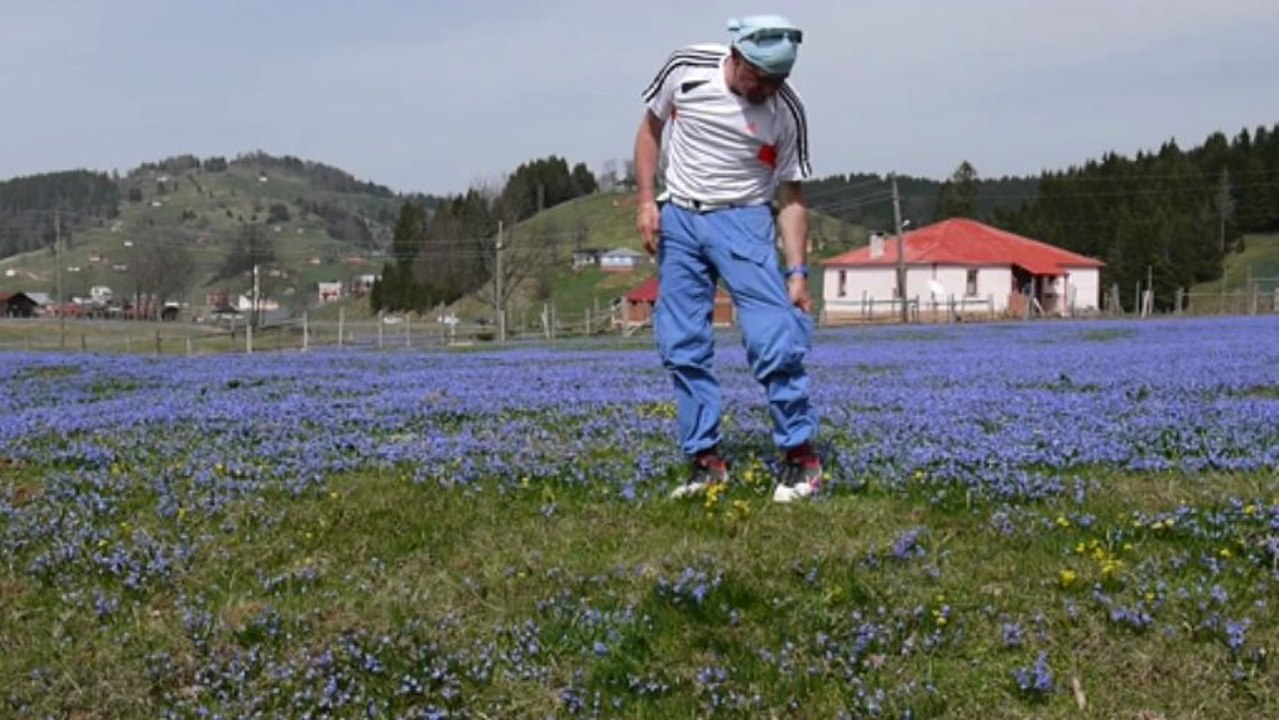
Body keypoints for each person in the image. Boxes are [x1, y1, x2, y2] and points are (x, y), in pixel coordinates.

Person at [633, 14, 822, 503]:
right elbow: (651, 130)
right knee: (681, 343)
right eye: (757, 77)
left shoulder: (787, 110)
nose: (764, 88)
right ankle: (705, 462)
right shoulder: (686, 67)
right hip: (681, 219)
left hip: (744, 222)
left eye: (775, 80)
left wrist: (797, 273)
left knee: (774, 339)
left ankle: (801, 458)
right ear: (735, 56)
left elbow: (792, 197)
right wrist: (647, 200)